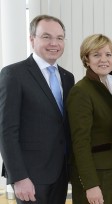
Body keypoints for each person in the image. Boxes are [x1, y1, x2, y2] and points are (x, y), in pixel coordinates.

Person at [0, 15, 74, 203]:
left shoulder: (67, 77)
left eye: (59, 38)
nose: (54, 43)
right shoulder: (14, 74)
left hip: (60, 174)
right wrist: (18, 177)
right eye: (46, 37)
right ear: (32, 39)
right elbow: (6, 130)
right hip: (30, 177)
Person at [66, 34, 112, 204]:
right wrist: (91, 184)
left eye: (108, 54)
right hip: (96, 173)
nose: (103, 59)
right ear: (86, 59)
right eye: (96, 55)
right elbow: (80, 142)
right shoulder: (81, 91)